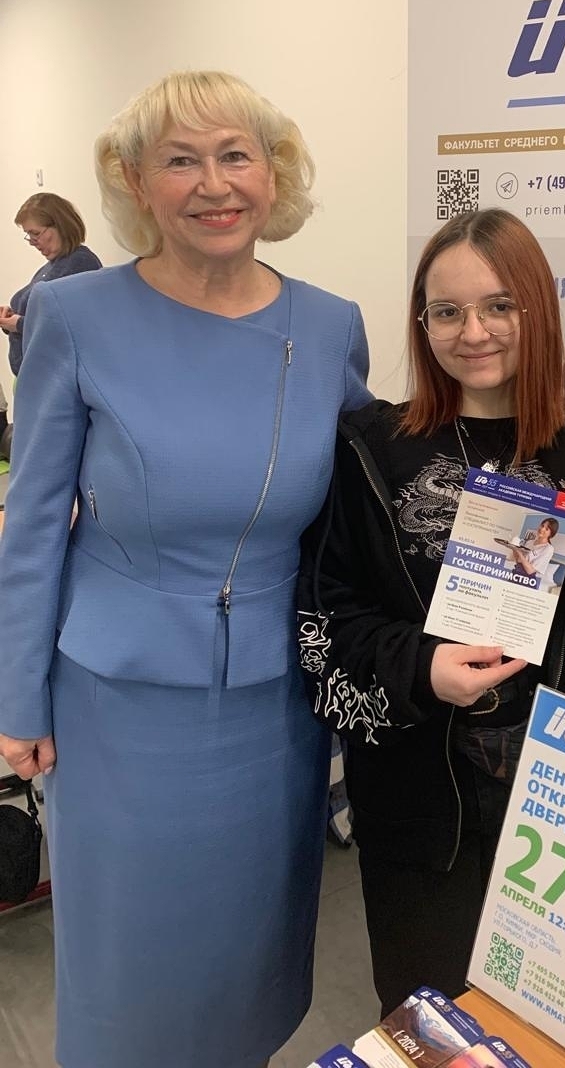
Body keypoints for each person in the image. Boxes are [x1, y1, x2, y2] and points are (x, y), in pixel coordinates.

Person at [0, 70, 370, 1068]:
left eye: (236, 155)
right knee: (132, 966)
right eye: (180, 160)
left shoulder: (330, 325)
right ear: (136, 181)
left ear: (273, 172)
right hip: (115, 703)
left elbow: (361, 509)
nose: (214, 184)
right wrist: (17, 699)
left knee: (247, 957)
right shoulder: (75, 315)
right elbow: (32, 522)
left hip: (276, 704)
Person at [297, 207, 565, 1014]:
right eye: (447, 311)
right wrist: (421, 668)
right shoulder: (369, 449)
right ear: (422, 323)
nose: (473, 332)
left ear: (537, 309)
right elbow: (322, 629)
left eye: (499, 305)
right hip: (421, 810)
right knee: (434, 1023)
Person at [0, 193, 102, 375]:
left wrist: (19, 324)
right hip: (36, 377)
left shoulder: (81, 263)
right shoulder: (53, 266)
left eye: (36, 233)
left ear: (61, 225)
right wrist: (12, 318)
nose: (32, 242)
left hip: (55, 379)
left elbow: (73, 327)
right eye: (28, 235)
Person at [504, 515, 557, 588]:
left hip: (527, 581)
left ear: (551, 534)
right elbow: (518, 560)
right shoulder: (530, 542)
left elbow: (530, 571)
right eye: (542, 525)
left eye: (546, 529)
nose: (542, 529)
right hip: (515, 575)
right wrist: (513, 548)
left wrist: (519, 552)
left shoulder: (548, 549)